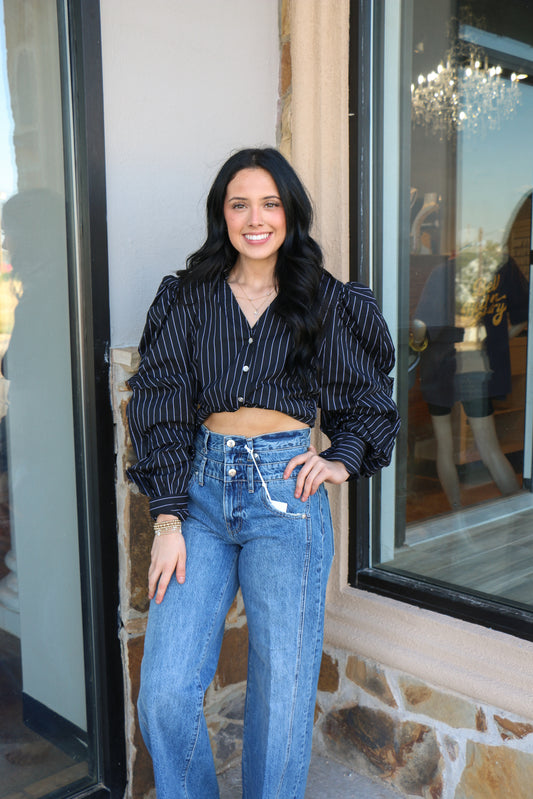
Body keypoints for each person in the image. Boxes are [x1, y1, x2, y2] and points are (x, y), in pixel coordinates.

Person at [127, 147, 400, 799]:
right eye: (239, 203)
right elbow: (159, 399)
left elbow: (367, 395)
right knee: (164, 692)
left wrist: (338, 456)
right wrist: (167, 516)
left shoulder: (324, 299)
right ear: (220, 214)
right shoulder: (187, 297)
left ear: (290, 213)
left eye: (270, 203)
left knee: (280, 697)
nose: (256, 218)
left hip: (287, 493)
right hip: (198, 492)